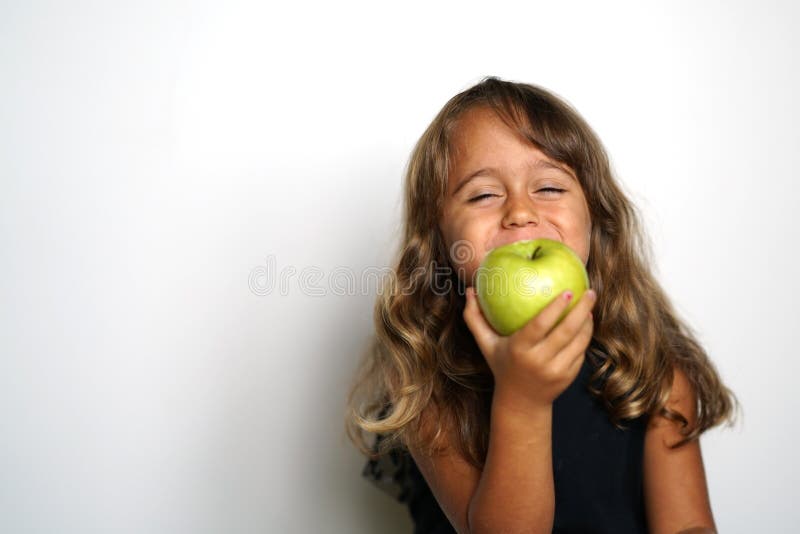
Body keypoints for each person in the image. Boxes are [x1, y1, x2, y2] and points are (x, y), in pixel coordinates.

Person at [344, 76, 739, 533]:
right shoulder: (424, 377)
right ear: (438, 241)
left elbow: (688, 526)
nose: (520, 212)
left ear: (597, 219)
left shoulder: (651, 366)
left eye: (549, 188)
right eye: (483, 195)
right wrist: (522, 400)